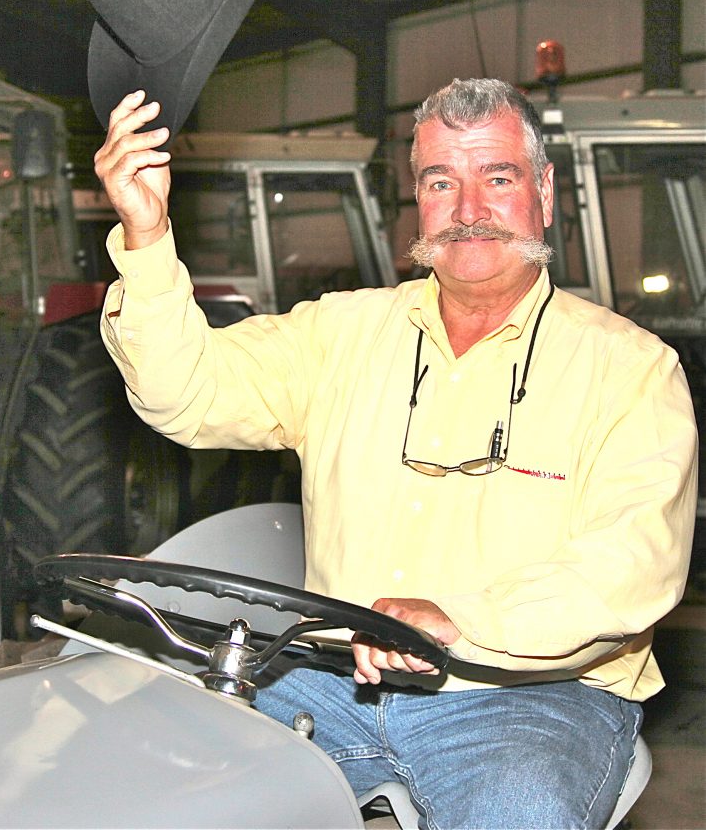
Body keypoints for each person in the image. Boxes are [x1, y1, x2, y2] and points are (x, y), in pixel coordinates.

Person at [95, 77, 697, 830]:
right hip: (330, 680)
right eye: (442, 181)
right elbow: (183, 393)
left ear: (544, 191)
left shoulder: (631, 369)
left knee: (520, 812)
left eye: (498, 178)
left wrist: (459, 621)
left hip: (532, 700)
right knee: (133, 775)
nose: (469, 208)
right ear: (417, 199)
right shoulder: (341, 333)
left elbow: (631, 565)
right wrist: (148, 238)